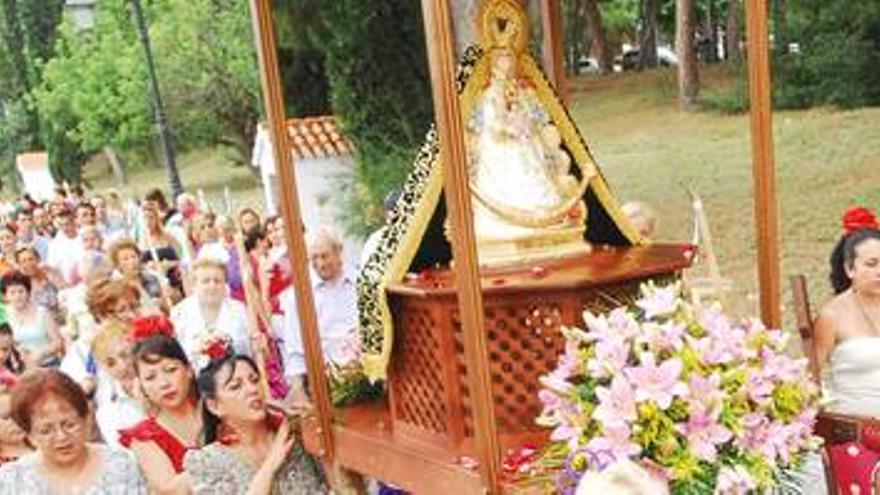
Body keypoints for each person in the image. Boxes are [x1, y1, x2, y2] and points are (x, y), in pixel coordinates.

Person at [184, 347, 326, 494]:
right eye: (236, 387)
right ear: (214, 406)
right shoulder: (206, 462)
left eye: (254, 380)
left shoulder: (294, 436)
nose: (252, 389)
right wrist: (271, 462)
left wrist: (312, 420)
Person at [812, 208, 880, 495]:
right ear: (850, 269)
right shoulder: (833, 314)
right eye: (872, 264)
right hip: (857, 434)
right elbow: (810, 379)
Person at [0, 369, 146, 493]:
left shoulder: (121, 465)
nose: (61, 437)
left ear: (87, 419)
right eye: (46, 430)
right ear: (30, 435)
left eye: (69, 425)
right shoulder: (12, 480)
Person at [120, 318, 202, 494]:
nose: (164, 383)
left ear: (188, 370)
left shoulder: (216, 409)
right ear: (141, 385)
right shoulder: (145, 437)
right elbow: (171, 489)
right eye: (150, 377)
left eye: (171, 370)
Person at [281, 227, 358, 401]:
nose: (320, 264)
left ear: (339, 252)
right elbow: (294, 348)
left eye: (325, 256)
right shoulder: (299, 294)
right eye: (314, 258)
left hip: (364, 375)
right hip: (323, 384)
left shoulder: (359, 282)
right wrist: (298, 390)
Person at [171, 258, 252, 364]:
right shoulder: (179, 312)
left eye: (217, 281)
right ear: (195, 285)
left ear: (225, 285)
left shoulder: (239, 310)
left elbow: (247, 349)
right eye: (205, 281)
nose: (212, 286)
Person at [1, 271, 63, 369]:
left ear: (28, 292)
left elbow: (57, 343)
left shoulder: (42, 312)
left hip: (48, 365)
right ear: (5, 296)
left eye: (21, 291)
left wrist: (41, 354)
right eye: (12, 292)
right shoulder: (3, 314)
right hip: (18, 368)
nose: (17, 296)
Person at [15, 247, 63, 325]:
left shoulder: (49, 273)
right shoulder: (20, 285)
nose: (28, 263)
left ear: (38, 259)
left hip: (60, 318)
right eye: (23, 261)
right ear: (18, 265)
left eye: (31, 259)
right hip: (39, 324)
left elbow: (65, 290)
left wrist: (53, 276)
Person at [108, 239, 162, 303]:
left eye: (134, 256)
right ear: (118, 265)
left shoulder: (152, 278)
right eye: (126, 259)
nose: (132, 261)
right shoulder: (117, 288)